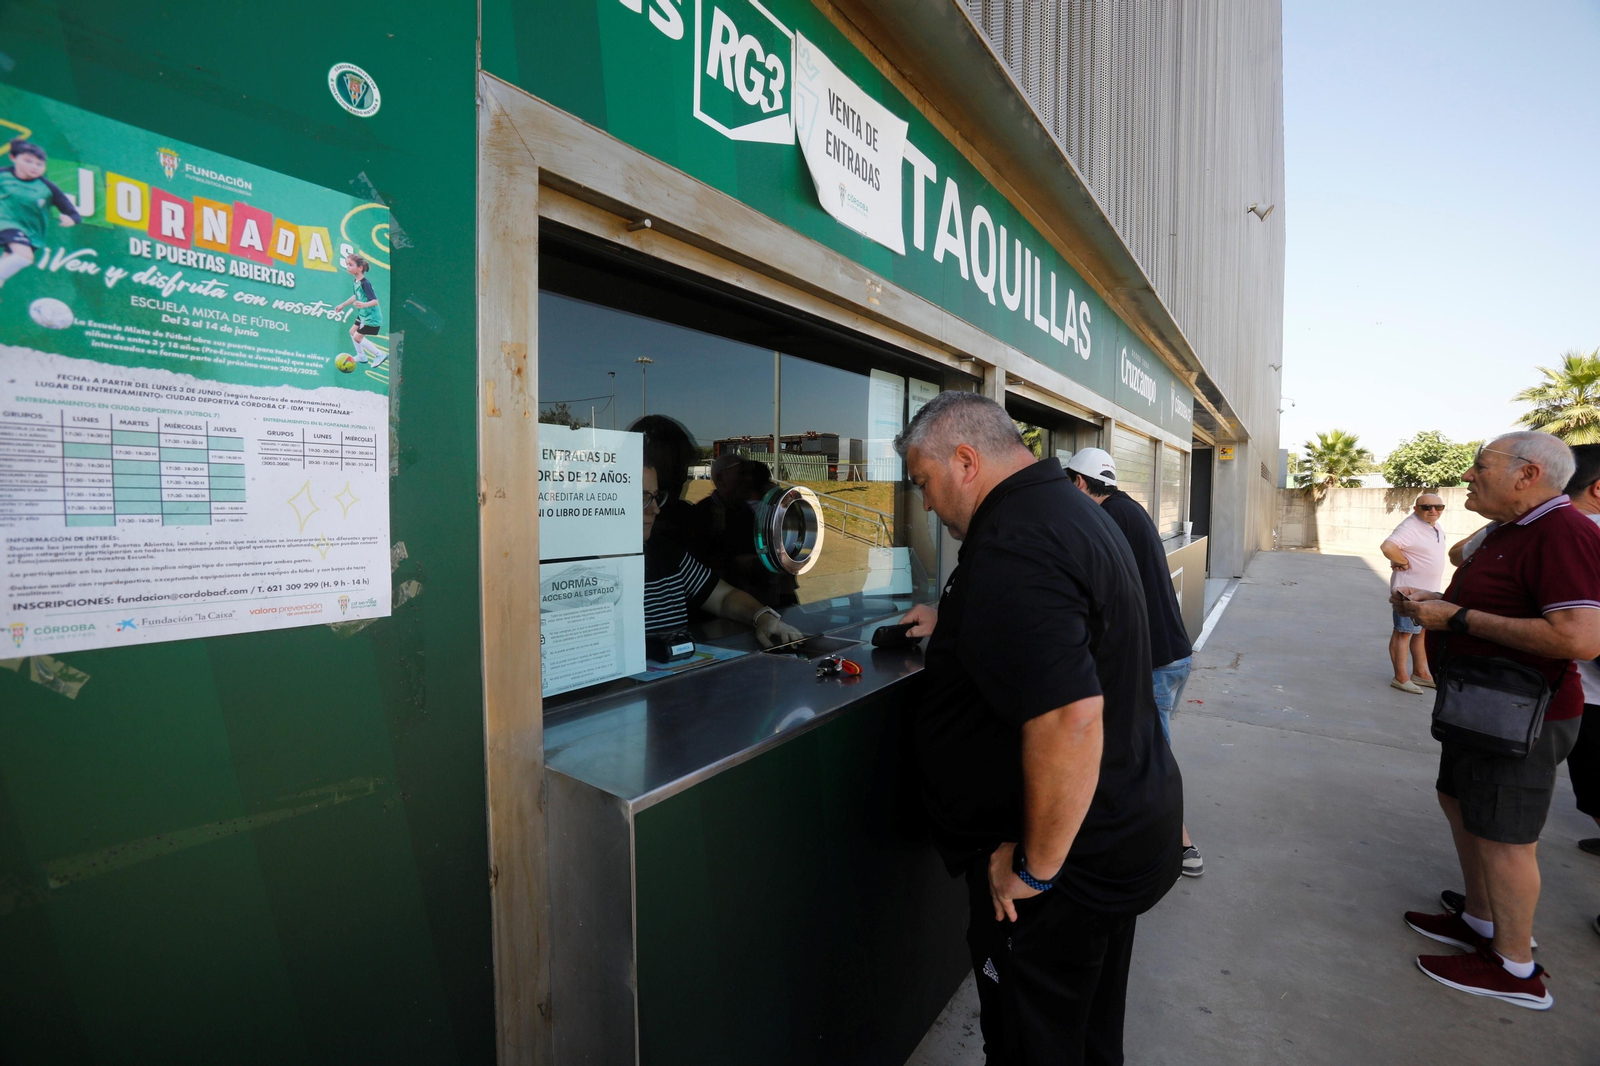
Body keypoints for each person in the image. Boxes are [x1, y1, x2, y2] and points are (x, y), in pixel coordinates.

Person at [894, 392, 1182, 1064]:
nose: (927, 504)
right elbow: (1068, 628)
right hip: (1118, 834)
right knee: (1084, 1035)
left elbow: (1068, 717)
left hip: (1067, 872)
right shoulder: (1065, 509)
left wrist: (1036, 868)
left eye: (924, 482)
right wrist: (960, 626)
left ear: (965, 461)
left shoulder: (1015, 541)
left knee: (1033, 1045)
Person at [1394, 432, 1600, 1010]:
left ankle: (1514, 967)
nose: (1468, 477)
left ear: (1527, 474)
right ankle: (1482, 921)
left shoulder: (1564, 533)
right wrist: (1439, 606)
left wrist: (1455, 618)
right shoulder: (1518, 530)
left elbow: (1579, 638)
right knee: (1463, 805)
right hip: (1482, 708)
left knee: (1506, 835)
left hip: (1521, 717)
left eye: (1481, 466)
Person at [1063, 446, 1203, 878]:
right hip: (1174, 652)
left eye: (1069, 488)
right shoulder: (1132, 510)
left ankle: (1179, 845)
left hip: (1156, 661)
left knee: (1151, 758)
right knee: (1145, 753)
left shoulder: (1108, 518)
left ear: (1081, 484)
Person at [641, 447, 801, 649]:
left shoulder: (668, 555)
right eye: (643, 497)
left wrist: (763, 617)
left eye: (656, 497)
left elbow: (724, 597)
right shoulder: (591, 571)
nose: (655, 509)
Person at [1380, 493, 1448, 694]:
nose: (1433, 510)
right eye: (1427, 507)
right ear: (1416, 509)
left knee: (1421, 632)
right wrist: (1401, 561)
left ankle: (1421, 673)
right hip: (1410, 590)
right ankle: (1400, 677)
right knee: (1403, 632)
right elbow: (1388, 546)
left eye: (1438, 506)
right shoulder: (1410, 527)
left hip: (1428, 590)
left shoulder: (1433, 526)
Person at [0, 139, 80, 290]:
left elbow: (73, 213)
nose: (34, 167)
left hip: (31, 231)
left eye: (39, 164)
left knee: (10, 259)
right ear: (13, 158)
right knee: (24, 256)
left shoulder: (47, 187)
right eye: (28, 161)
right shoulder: (3, 175)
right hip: (5, 222)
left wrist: (70, 219)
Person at [333, 253, 385, 367]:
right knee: (352, 332)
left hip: (371, 317)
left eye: (350, 265)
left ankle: (379, 354)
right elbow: (355, 296)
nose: (348, 267)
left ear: (360, 268)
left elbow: (375, 301)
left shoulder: (365, 283)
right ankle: (361, 356)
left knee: (357, 337)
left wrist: (363, 304)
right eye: (347, 265)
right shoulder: (356, 282)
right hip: (363, 315)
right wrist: (343, 305)